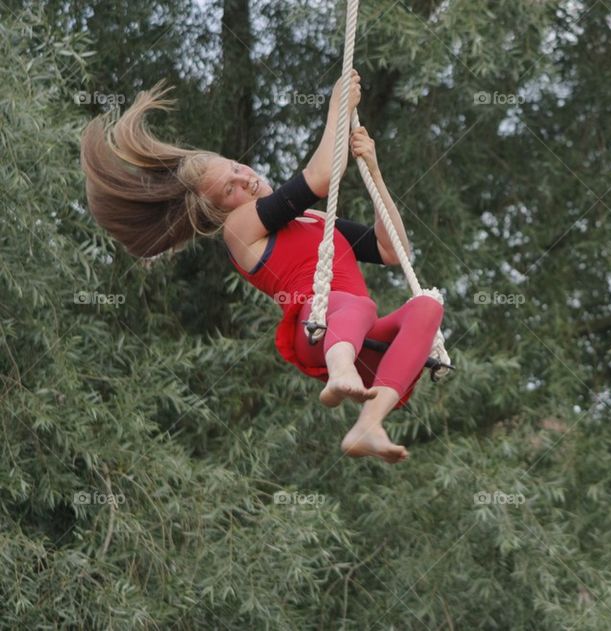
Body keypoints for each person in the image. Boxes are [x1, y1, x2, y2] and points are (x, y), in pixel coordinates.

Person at [79, 72, 444, 464]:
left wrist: (373, 171)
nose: (246, 179)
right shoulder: (239, 229)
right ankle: (340, 374)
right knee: (359, 305)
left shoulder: (314, 221)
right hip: (317, 329)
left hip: (363, 338)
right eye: (229, 189)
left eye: (236, 167)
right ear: (219, 210)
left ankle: (370, 423)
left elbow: (392, 248)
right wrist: (337, 109)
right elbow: (320, 177)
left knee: (427, 305)